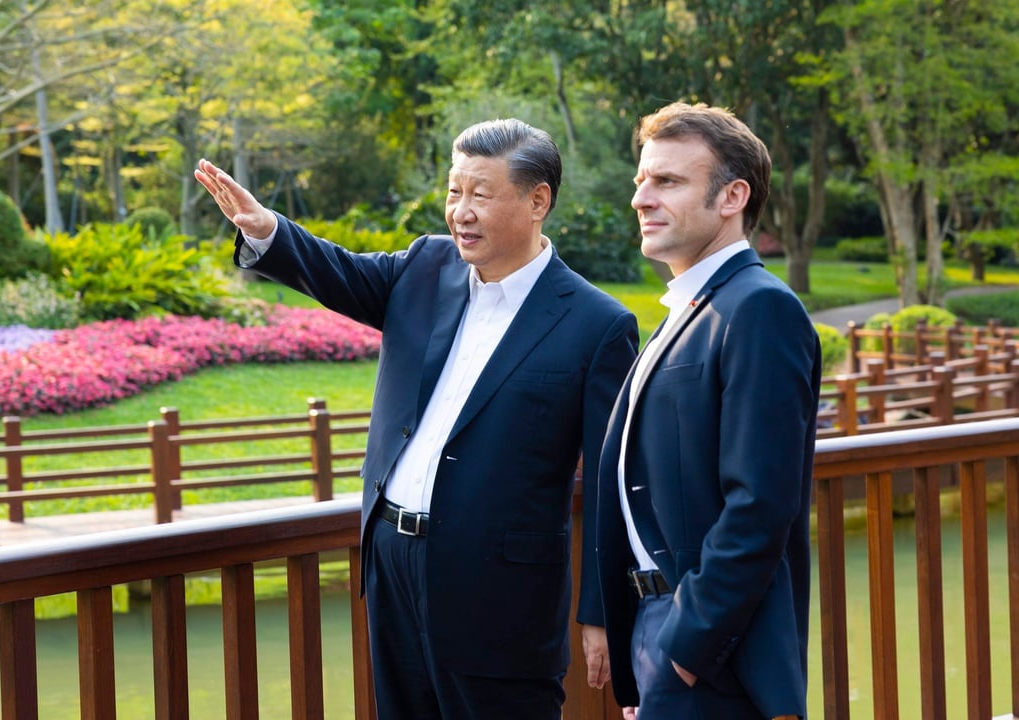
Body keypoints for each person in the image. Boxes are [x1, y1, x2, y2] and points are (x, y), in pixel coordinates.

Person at [194, 118, 639, 720]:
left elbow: (612, 482)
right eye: (455, 191)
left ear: (538, 201)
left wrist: (602, 613)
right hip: (392, 564)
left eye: (481, 194)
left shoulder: (597, 324)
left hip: (501, 596)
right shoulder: (427, 266)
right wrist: (266, 228)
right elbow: (340, 272)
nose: (461, 211)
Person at [588, 101, 822, 719]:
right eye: (641, 179)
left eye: (667, 181)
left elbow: (760, 506)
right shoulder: (685, 309)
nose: (641, 198)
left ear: (732, 197)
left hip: (715, 653)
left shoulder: (760, 309)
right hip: (657, 631)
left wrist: (683, 654)